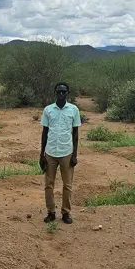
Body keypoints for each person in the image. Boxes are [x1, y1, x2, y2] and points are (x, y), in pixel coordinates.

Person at [39, 82, 81, 224]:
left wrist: (74, 155)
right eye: (59, 92)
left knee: (67, 185)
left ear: (68, 93)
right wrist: (41, 155)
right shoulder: (48, 110)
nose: (61, 94)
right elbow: (44, 133)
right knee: (48, 184)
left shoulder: (74, 110)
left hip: (66, 152)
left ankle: (66, 213)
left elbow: (75, 134)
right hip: (50, 152)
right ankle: (51, 212)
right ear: (55, 93)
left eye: (64, 92)